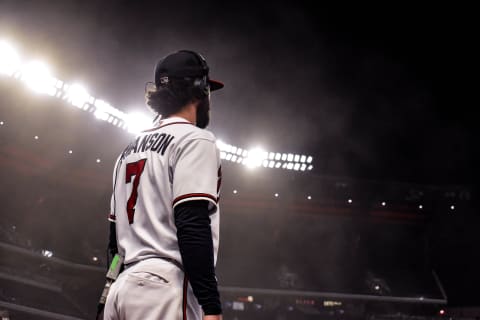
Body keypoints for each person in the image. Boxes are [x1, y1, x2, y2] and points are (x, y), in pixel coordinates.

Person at [103, 50, 223, 320]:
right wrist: (211, 305)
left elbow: (113, 242)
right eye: (208, 90)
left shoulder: (128, 151)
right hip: (164, 287)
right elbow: (192, 222)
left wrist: (110, 286)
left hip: (121, 288)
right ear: (199, 89)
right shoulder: (195, 139)